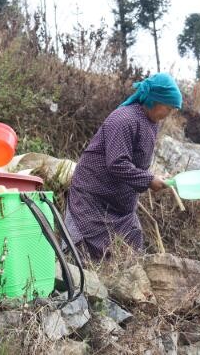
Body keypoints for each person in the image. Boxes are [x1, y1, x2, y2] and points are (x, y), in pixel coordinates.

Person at [65, 72, 182, 260]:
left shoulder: (151, 122)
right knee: (86, 253)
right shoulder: (124, 120)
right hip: (93, 196)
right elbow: (117, 163)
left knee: (131, 249)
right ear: (154, 101)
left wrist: (150, 175)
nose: (169, 114)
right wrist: (148, 180)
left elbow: (136, 159)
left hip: (121, 205)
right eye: (168, 108)